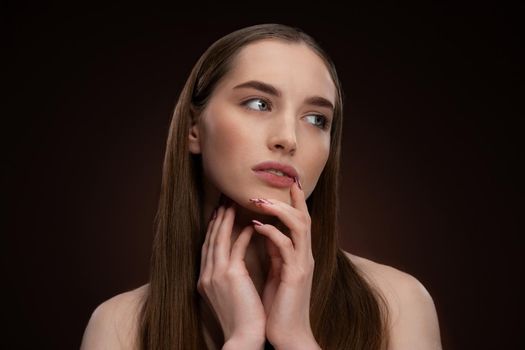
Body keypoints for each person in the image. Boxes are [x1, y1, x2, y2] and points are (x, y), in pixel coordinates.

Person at [80, 23, 442, 350]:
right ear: (193, 129)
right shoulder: (120, 326)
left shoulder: (397, 304)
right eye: (258, 103)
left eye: (317, 119)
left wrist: (295, 339)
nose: (288, 138)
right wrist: (242, 340)